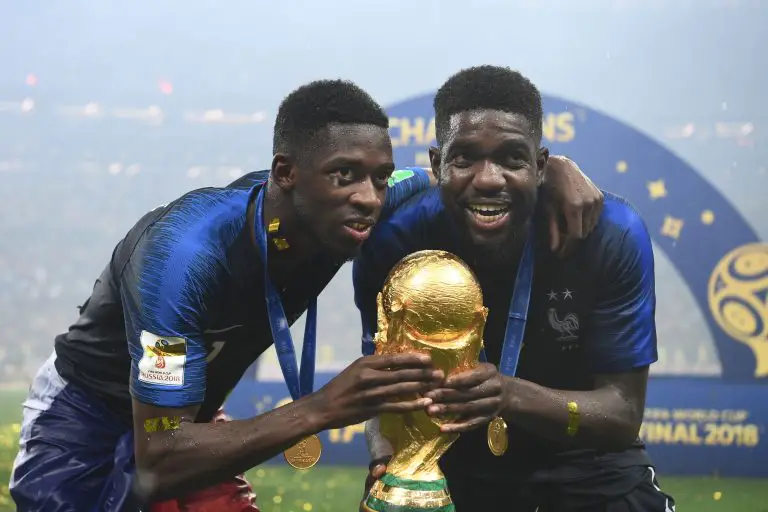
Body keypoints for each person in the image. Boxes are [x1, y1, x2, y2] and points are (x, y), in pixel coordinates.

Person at [10, 78, 601, 512]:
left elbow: (459, 178)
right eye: (345, 174)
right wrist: (324, 408)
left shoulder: (358, 206)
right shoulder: (181, 259)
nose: (369, 196)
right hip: (88, 417)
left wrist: (555, 170)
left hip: (184, 420)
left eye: (377, 175)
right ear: (285, 173)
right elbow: (158, 458)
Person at [355, 66, 676, 512]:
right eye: (464, 158)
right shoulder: (396, 239)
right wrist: (389, 459)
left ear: (541, 165)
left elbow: (622, 415)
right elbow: (384, 382)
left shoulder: (610, 234)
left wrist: (508, 393)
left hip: (591, 467)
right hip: (453, 467)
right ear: (436, 165)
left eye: (511, 158)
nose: (489, 179)